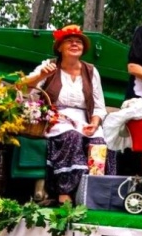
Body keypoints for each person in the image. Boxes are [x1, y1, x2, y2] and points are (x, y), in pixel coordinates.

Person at [20, 25, 113, 206]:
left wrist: (94, 124)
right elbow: (22, 88)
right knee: (71, 136)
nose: (74, 44)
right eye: (69, 41)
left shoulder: (91, 71)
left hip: (84, 120)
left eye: (78, 42)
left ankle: (92, 194)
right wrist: (40, 76)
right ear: (60, 47)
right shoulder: (49, 66)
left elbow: (99, 106)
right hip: (57, 118)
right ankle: (65, 191)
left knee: (99, 143)